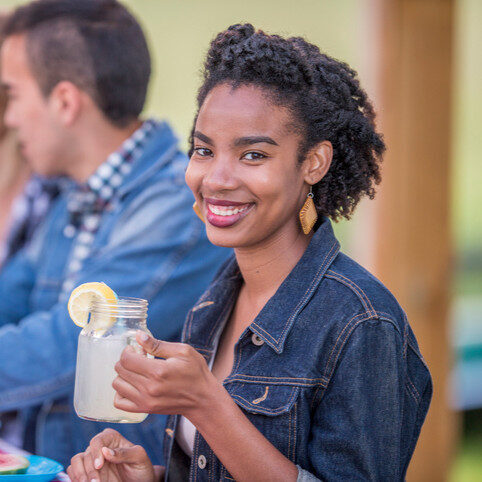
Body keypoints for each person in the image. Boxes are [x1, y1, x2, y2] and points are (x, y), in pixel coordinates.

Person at [68, 24, 432, 481]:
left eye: (253, 155)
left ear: (313, 163)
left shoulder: (361, 322)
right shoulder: (213, 302)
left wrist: (207, 404)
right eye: (203, 150)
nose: (216, 178)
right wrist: (152, 477)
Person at [0, 0, 229, 468]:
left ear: (64, 101)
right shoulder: (73, 196)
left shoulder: (177, 206)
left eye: (12, 95)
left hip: (102, 469)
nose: (9, 118)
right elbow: (8, 300)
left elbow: (73, 343)